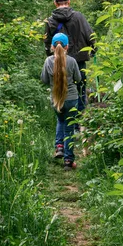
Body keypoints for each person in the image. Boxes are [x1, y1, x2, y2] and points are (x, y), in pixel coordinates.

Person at [43, 0, 95, 116]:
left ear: (55, 3)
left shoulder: (49, 21)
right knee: (81, 90)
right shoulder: (79, 17)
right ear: (69, 1)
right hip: (79, 60)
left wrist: (50, 59)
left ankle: (63, 120)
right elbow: (90, 35)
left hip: (58, 62)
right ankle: (79, 123)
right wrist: (94, 49)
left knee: (61, 90)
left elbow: (47, 42)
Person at [41, 32, 81, 170]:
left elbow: (44, 80)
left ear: (52, 47)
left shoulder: (48, 61)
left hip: (56, 99)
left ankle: (59, 147)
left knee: (60, 120)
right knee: (69, 129)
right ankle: (68, 161)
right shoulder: (72, 61)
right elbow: (79, 79)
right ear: (67, 47)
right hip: (71, 98)